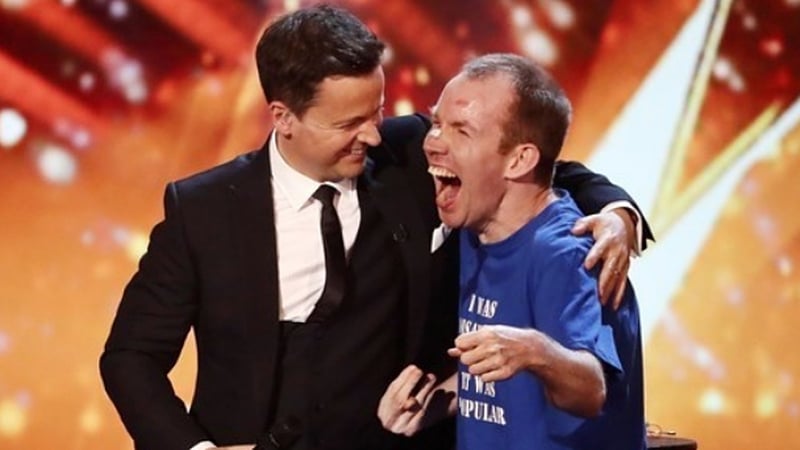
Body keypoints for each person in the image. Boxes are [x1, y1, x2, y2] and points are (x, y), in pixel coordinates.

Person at [100, 6, 651, 450]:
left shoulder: (406, 155)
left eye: (377, 111)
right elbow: (131, 358)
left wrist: (619, 214)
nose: (371, 135)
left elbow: (534, 165)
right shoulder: (203, 210)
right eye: (348, 123)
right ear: (283, 117)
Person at [376, 54, 646, 449]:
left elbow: (591, 391)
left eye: (461, 131)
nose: (432, 142)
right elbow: (509, 376)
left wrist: (534, 351)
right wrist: (432, 403)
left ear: (519, 159)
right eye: (436, 123)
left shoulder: (565, 252)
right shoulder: (476, 229)